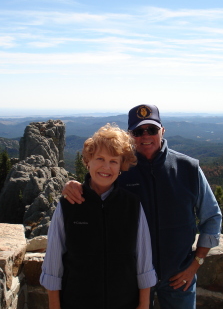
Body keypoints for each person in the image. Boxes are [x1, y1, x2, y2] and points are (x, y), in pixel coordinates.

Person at [62, 104, 222, 309]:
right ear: (130, 136)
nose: (145, 136)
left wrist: (195, 265)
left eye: (152, 130)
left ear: (162, 131)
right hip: (131, 279)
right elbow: (97, 190)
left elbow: (212, 217)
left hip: (179, 278)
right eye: (138, 132)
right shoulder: (122, 169)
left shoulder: (188, 168)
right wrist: (73, 186)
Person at [40, 123, 157, 309]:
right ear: (88, 161)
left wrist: (143, 305)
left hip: (124, 303)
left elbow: (144, 263)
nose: (106, 167)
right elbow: (53, 267)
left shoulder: (132, 206)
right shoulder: (68, 205)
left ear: (121, 166)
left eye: (113, 161)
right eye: (100, 158)